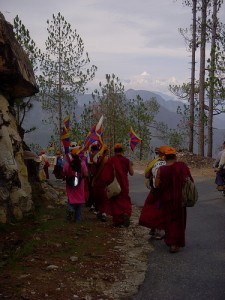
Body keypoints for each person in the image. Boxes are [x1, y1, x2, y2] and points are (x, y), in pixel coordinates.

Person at [155, 145, 194, 253]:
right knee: (179, 221)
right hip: (179, 199)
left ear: (165, 157)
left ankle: (171, 242)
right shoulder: (182, 166)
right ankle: (175, 243)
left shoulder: (161, 169)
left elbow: (157, 185)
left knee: (168, 220)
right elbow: (190, 180)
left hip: (167, 199)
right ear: (175, 157)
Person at [100, 143, 134, 227]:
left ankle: (118, 221)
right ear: (122, 151)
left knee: (115, 202)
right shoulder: (127, 161)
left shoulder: (111, 160)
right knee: (125, 200)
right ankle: (126, 213)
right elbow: (132, 173)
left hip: (114, 184)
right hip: (124, 184)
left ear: (114, 151)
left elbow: (106, 175)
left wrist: (106, 184)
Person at [139, 146, 166, 239]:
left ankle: (153, 228)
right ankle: (159, 229)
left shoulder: (153, 162)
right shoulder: (170, 162)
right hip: (166, 191)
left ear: (159, 154)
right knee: (161, 210)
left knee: (151, 208)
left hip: (155, 190)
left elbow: (146, 175)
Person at [63, 147, 88, 222]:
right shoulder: (82, 163)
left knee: (71, 198)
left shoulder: (68, 163)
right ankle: (78, 219)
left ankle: (70, 209)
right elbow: (86, 174)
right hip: (79, 184)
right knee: (79, 202)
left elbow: (64, 172)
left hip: (70, 184)